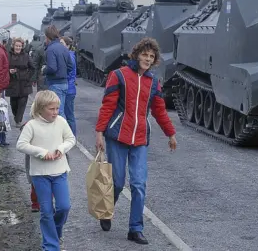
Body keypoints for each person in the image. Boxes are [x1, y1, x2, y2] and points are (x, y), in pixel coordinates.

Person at [95, 37, 177, 245]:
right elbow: (107, 106)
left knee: (139, 184)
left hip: (140, 139)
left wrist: (171, 133)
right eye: (144, 54)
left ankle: (135, 229)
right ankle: (106, 211)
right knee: (118, 182)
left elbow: (159, 110)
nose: (147, 59)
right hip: (117, 137)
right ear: (136, 54)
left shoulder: (153, 82)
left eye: (151, 56)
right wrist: (99, 133)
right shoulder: (118, 75)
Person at [16, 90, 75, 251]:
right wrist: (41, 152)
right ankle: (50, 246)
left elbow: (71, 139)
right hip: (40, 175)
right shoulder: (32, 125)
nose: (55, 112)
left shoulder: (61, 122)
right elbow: (21, 144)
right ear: (41, 108)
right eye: (52, 109)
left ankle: (56, 233)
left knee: (64, 206)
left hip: (60, 172)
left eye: (57, 109)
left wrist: (61, 149)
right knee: (46, 211)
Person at [43, 25, 73, 118]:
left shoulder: (50, 49)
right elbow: (70, 66)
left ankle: (62, 132)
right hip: (64, 83)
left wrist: (44, 69)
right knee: (61, 110)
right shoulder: (63, 48)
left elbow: (52, 68)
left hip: (55, 84)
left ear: (47, 36)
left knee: (57, 113)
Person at [6, 37, 36, 128]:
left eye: (20, 46)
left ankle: (18, 120)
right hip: (13, 83)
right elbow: (4, 67)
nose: (18, 48)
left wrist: (28, 77)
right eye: (16, 46)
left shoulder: (26, 56)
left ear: (22, 47)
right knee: (13, 104)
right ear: (13, 46)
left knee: (22, 103)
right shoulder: (8, 55)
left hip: (24, 83)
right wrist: (9, 71)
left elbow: (33, 68)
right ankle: (16, 117)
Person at [60, 37, 77, 136]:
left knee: (69, 114)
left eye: (62, 44)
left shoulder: (69, 57)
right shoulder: (69, 55)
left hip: (68, 88)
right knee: (68, 113)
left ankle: (72, 136)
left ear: (68, 45)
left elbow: (69, 72)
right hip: (70, 87)